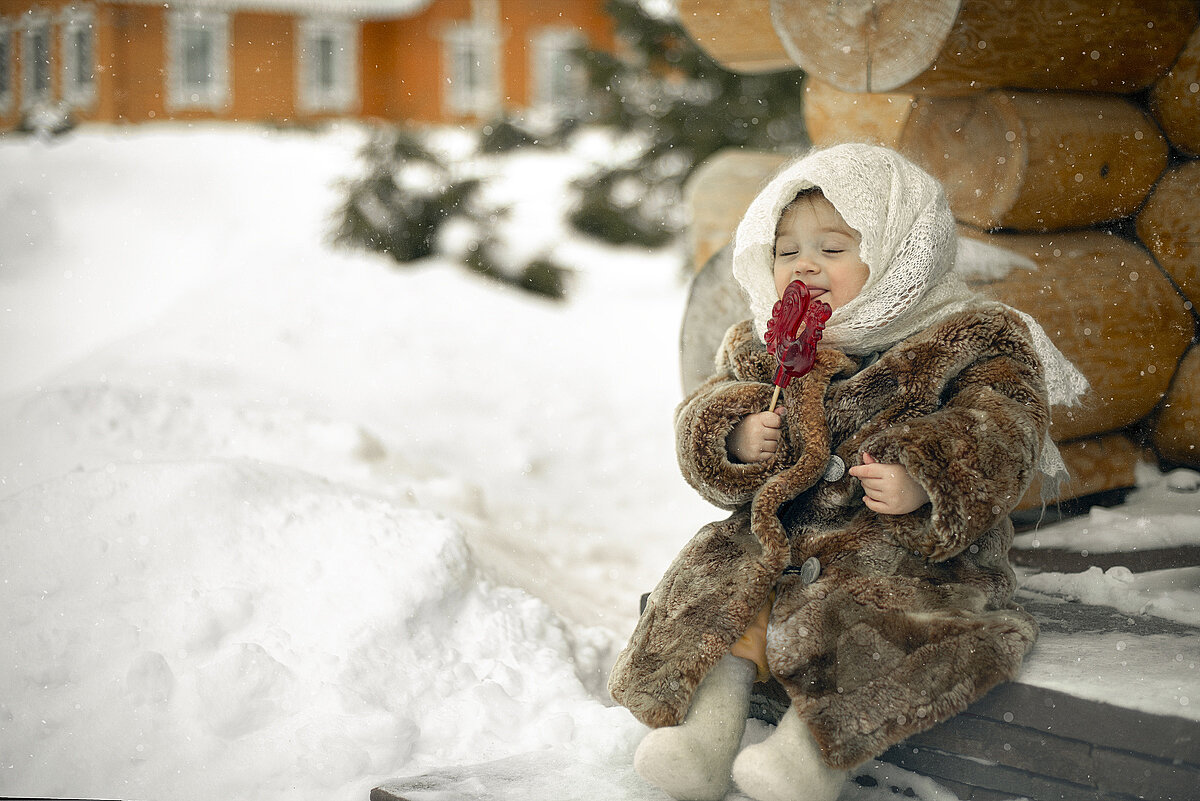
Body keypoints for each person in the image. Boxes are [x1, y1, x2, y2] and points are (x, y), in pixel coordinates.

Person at [607, 143, 1088, 801]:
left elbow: (1005, 430)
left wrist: (927, 479)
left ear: (899, 251)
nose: (805, 264)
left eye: (833, 248)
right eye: (786, 250)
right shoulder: (762, 345)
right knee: (719, 588)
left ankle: (808, 759)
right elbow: (700, 421)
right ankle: (703, 736)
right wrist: (737, 438)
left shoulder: (970, 339)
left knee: (872, 621)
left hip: (908, 551)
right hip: (782, 537)